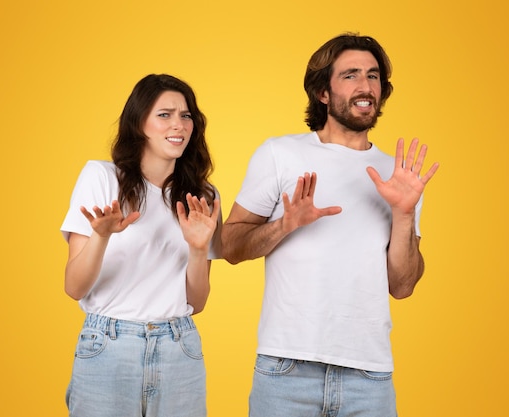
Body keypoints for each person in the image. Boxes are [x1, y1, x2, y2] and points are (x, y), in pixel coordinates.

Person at [222, 33, 439, 417]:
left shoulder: (398, 175)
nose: (365, 86)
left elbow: (403, 286)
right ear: (323, 92)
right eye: (351, 75)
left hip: (368, 377)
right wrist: (284, 226)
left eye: (373, 76)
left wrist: (405, 212)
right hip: (287, 370)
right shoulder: (280, 154)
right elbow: (230, 246)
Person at [60, 73, 222, 417]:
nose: (178, 124)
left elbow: (197, 301)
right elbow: (74, 287)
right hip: (109, 347)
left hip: (179, 348)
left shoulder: (203, 197)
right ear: (140, 124)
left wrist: (197, 249)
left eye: (186, 115)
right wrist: (102, 235)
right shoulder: (102, 178)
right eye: (164, 114)